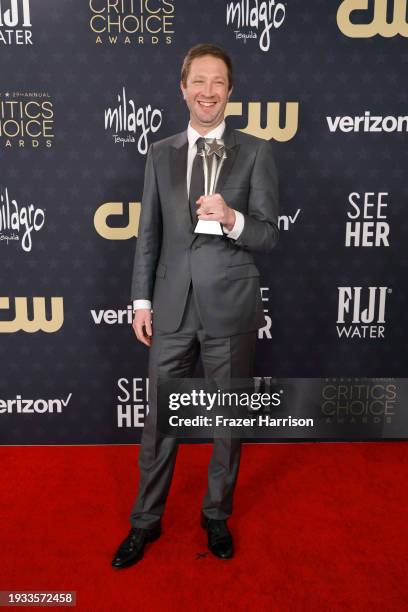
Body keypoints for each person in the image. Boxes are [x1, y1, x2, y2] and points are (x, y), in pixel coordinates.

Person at [112, 43, 279, 569]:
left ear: (231, 92)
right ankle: (145, 522)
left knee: (228, 421)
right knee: (159, 421)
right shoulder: (160, 153)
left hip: (230, 306)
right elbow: (148, 235)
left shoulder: (256, 151)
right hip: (170, 307)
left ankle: (215, 516)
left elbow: (269, 235)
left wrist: (232, 218)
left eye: (219, 84)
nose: (209, 92)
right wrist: (141, 299)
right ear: (183, 88)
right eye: (199, 82)